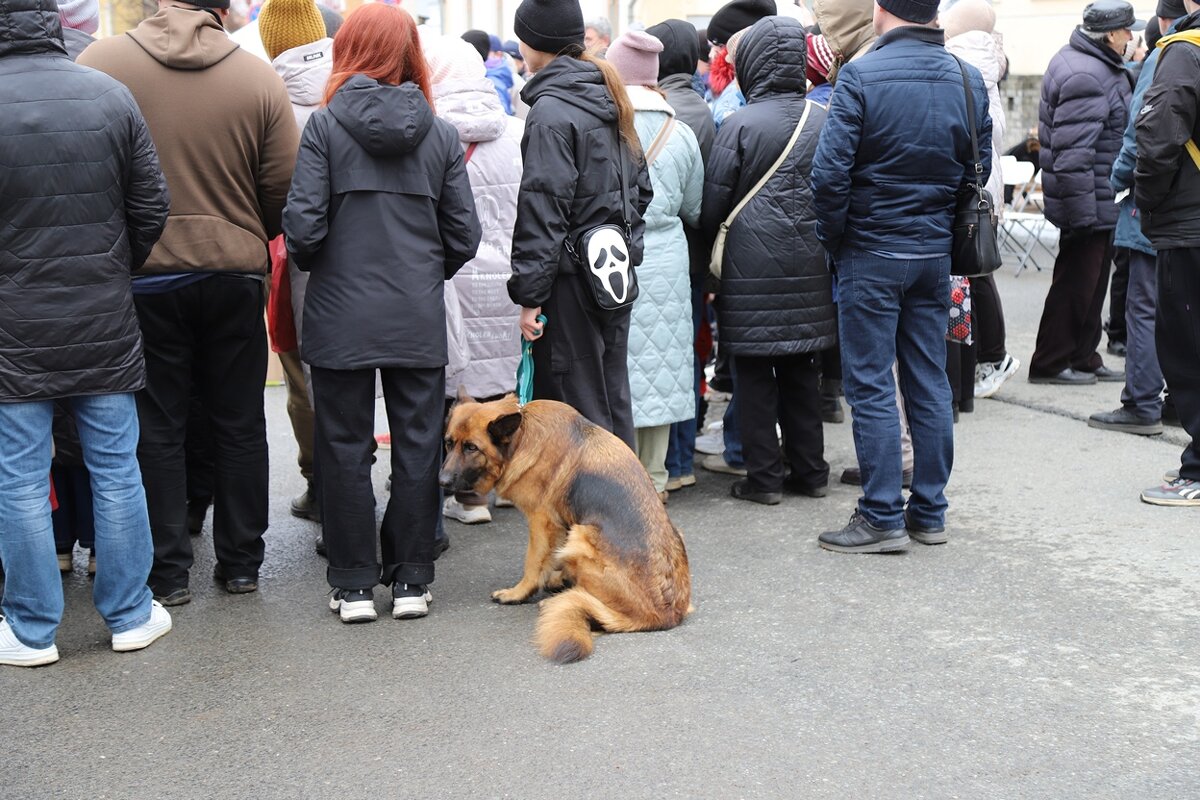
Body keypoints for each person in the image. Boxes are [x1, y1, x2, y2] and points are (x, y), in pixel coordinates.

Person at [79, 0, 300, 606]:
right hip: (233, 269)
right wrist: (245, 231)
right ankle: (241, 562)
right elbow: (282, 186)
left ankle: (167, 569)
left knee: (156, 424)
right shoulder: (257, 77)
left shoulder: (102, 62)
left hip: (143, 271)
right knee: (239, 420)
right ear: (223, 9)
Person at [283, 4, 481, 624]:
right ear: (409, 54)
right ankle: (412, 578)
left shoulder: (324, 127)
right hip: (414, 313)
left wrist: (328, 264)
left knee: (344, 445)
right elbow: (464, 234)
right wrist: (422, 274)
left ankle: (352, 586)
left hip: (339, 312)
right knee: (419, 445)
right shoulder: (440, 134)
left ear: (348, 50)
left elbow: (303, 230)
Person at [0, 0, 172, 666]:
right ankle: (130, 615)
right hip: (102, 315)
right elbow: (151, 203)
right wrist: (111, 268)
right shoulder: (108, 94)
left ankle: (30, 630)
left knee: (19, 476)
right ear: (53, 21)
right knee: (116, 468)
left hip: (13, 324)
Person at [812, 0, 991, 551]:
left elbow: (829, 175)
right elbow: (977, 167)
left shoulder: (860, 75)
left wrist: (836, 240)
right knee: (928, 377)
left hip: (870, 249)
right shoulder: (967, 78)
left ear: (879, 9)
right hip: (934, 252)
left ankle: (882, 514)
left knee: (871, 383)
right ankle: (929, 511)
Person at [507, 0, 652, 450]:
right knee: (612, 398)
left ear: (535, 43)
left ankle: (597, 497)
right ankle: (627, 493)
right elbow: (641, 190)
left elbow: (542, 210)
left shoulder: (552, 110)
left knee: (578, 411)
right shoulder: (607, 92)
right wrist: (625, 247)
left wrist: (530, 296)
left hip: (572, 281)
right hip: (612, 272)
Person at [703, 16, 836, 506]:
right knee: (803, 370)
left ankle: (763, 479)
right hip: (811, 265)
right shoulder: (825, 118)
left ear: (754, 62)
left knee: (755, 375)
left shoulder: (740, 123)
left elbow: (714, 203)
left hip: (749, 269)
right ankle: (811, 471)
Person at [421, 34, 524, 525]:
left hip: (451, 277)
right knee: (499, 386)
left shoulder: (428, 133)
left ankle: (460, 496)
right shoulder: (517, 133)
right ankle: (494, 486)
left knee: (451, 389)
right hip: (507, 279)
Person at [607, 31, 704, 501]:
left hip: (611, 256)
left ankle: (617, 475)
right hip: (666, 255)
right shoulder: (679, 132)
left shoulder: (604, 126)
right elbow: (695, 206)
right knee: (662, 365)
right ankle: (656, 478)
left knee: (618, 365)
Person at [1028, 0, 1141, 386]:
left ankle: (1082, 356)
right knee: (1075, 285)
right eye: (1126, 30)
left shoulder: (1096, 65)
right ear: (1110, 34)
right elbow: (1072, 155)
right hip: (1086, 202)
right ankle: (1050, 362)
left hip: (1098, 199)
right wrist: (1082, 216)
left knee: (1092, 285)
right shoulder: (1086, 74)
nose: (1131, 37)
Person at [1090, 1, 1186, 438]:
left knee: (1145, 306)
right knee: (1183, 307)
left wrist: (1119, 179)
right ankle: (1178, 401)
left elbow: (1140, 131)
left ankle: (1141, 402)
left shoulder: (1167, 54)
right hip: (1190, 203)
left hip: (1156, 201)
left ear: (1162, 21)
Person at [258, 0, 332, 525]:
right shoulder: (352, 87)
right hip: (366, 258)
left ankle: (319, 482)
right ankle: (355, 477)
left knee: (302, 373)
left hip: (294, 258)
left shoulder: (268, 98)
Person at [1133, 0, 1200, 505]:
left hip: (1190, 225)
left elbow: (1157, 141)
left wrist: (1148, 200)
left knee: (1187, 353)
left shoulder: (1185, 50)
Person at [646, 18, 717, 492]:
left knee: (649, 357)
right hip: (689, 255)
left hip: (654, 253)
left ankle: (662, 463)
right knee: (683, 353)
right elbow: (705, 198)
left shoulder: (657, 112)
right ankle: (681, 459)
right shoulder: (702, 110)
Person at [942, 0, 1020, 400]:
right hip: (985, 186)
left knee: (973, 272)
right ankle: (984, 359)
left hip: (969, 187)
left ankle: (991, 356)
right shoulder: (987, 63)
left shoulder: (961, 62)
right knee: (977, 268)